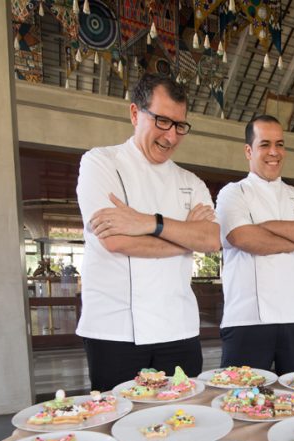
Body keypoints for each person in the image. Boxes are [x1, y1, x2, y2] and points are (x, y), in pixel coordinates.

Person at [76, 73, 220, 390]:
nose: (171, 136)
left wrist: (149, 223)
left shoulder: (190, 182)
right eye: (162, 121)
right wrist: (185, 239)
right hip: (115, 329)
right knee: (118, 423)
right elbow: (115, 240)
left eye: (180, 126)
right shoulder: (101, 163)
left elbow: (211, 239)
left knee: (183, 421)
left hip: (179, 328)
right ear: (134, 113)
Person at [215, 115, 294, 373]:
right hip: (247, 320)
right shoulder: (233, 193)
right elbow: (242, 237)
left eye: (280, 144)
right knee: (242, 401)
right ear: (248, 150)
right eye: (265, 144)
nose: (274, 152)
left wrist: (265, 226)